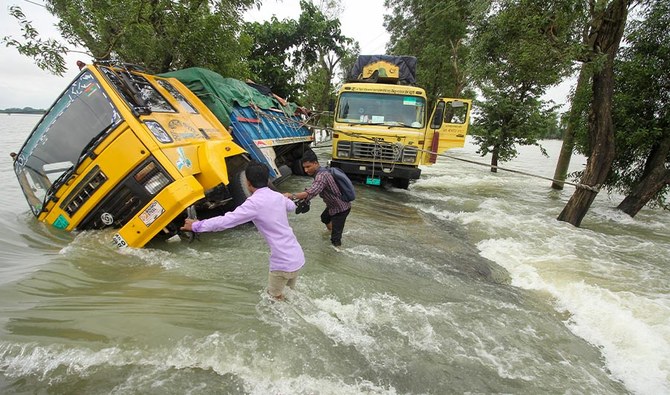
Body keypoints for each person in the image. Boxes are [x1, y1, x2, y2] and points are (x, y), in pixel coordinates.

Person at [181, 161, 304, 300]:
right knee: (289, 296)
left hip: (282, 262)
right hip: (296, 256)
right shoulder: (277, 197)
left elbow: (226, 221)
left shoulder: (253, 203)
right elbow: (292, 207)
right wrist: (284, 197)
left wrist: (196, 226)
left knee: (274, 301)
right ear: (267, 179)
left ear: (248, 183)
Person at [283, 150, 351, 247]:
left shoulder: (321, 176)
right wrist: (303, 199)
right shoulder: (321, 172)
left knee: (335, 240)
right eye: (304, 167)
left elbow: (312, 191)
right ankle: (332, 231)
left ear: (316, 163)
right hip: (333, 206)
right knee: (324, 218)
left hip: (341, 208)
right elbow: (315, 190)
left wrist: (292, 195)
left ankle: (337, 251)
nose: (306, 170)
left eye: (308, 167)